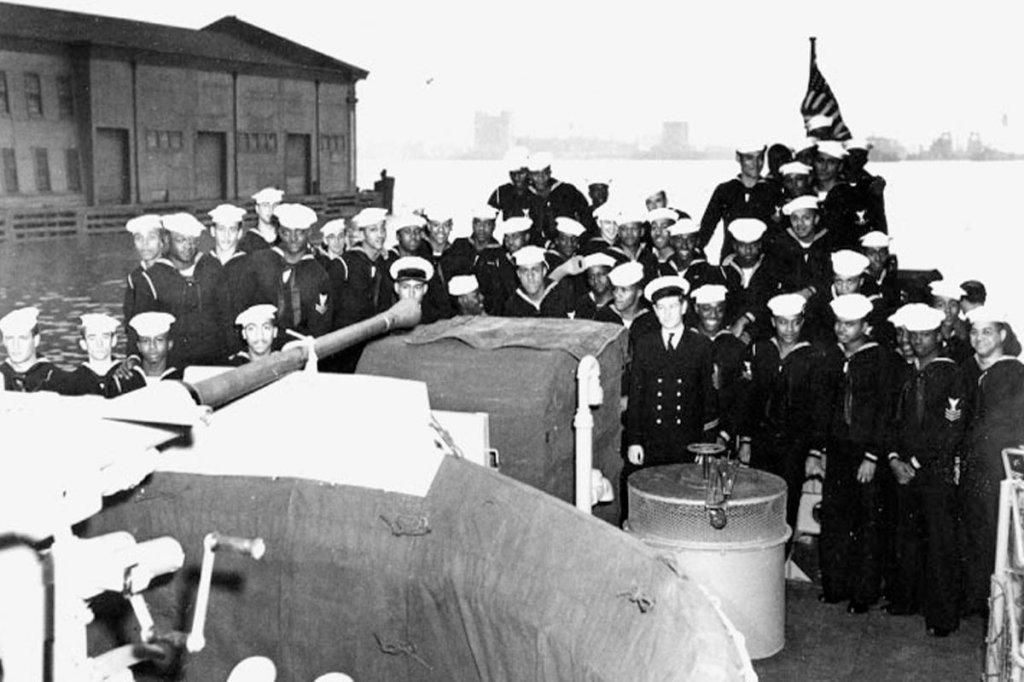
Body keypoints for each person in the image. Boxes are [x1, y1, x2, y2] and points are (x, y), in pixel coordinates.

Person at [812, 293, 899, 614]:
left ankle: (863, 594)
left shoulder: (880, 360)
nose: (842, 330)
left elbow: (885, 413)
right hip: (837, 451)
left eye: (850, 325)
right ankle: (836, 586)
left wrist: (873, 456)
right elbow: (825, 408)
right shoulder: (832, 358)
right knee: (835, 520)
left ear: (866, 326)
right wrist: (821, 449)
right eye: (839, 323)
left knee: (866, 524)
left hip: (865, 453)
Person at [884, 304, 964, 637]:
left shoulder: (950, 375)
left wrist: (915, 463)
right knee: (907, 538)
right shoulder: (906, 373)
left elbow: (950, 431)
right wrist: (892, 458)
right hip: (904, 470)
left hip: (935, 472)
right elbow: (892, 421)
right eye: (913, 334)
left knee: (939, 543)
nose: (918, 341)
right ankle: (905, 601)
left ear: (939, 336)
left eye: (925, 335)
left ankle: (941, 617)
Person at [744, 293, 828, 536]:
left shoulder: (814, 356)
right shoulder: (760, 350)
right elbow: (750, 399)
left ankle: (780, 562)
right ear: (773, 321)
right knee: (758, 501)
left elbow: (820, 408)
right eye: (782, 322)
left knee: (786, 506)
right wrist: (747, 439)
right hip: (762, 441)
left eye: (795, 322)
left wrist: (814, 451)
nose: (789, 329)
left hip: (795, 445)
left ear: (803, 322)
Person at [959, 306, 1024, 617]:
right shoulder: (980, 373)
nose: (979, 338)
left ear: (1002, 335)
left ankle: (996, 610)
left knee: (996, 539)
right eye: (974, 331)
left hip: (996, 471)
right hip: (979, 471)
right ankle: (983, 604)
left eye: (987, 331)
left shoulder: (1010, 373)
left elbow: (997, 430)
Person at [625, 275, 719, 468]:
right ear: (655, 311)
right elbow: (636, 397)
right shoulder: (645, 345)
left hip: (689, 443)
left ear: (684, 307)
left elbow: (709, 399)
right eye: (661, 307)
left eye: (673, 307)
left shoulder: (701, 346)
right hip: (652, 441)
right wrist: (634, 441)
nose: (667, 314)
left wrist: (707, 444)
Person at [247, 203, 332, 343]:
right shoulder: (262, 263)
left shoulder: (318, 274)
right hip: (263, 345)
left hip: (303, 346)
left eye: (299, 232)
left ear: (309, 232)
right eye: (286, 232)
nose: (293, 239)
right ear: (279, 232)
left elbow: (321, 322)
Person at [153, 212, 228, 367]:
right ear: (167, 240)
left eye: (193, 240)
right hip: (174, 361)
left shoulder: (212, 268)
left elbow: (226, 315)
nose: (188, 246)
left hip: (214, 357)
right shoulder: (155, 277)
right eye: (181, 240)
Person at [699, 141, 781, 261]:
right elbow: (706, 229)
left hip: (765, 264)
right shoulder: (725, 191)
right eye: (749, 158)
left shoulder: (773, 190)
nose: (756, 163)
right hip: (731, 261)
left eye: (760, 158)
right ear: (738, 158)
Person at [691, 284, 748, 450]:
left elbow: (741, 397)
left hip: (722, 434)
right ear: (696, 308)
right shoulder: (688, 342)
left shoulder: (735, 347)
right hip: (687, 431)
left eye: (719, 309)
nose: (713, 315)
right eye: (706, 309)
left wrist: (724, 434)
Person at [334, 207, 389, 371]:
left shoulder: (382, 263)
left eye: (382, 229)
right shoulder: (345, 264)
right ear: (362, 234)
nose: (380, 234)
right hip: (347, 346)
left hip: (373, 343)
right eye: (373, 230)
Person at [381, 214, 451, 324]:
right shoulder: (388, 262)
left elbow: (438, 299)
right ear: (398, 237)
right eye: (407, 232)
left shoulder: (425, 262)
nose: (413, 236)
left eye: (417, 232)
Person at [721, 218, 778, 344]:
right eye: (742, 245)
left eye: (753, 245)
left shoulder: (770, 268)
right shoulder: (725, 269)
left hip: (762, 331)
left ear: (759, 245)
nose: (748, 250)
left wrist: (745, 323)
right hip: (732, 330)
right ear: (734, 246)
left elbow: (767, 303)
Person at [768, 194, 833, 300]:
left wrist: (811, 290)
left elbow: (829, 277)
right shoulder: (781, 244)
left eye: (806, 218)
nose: (799, 223)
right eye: (795, 218)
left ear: (816, 219)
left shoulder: (827, 243)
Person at [62, 313, 142, 397]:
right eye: (92, 338)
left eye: (105, 337)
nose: (99, 344)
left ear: (114, 340)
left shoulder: (131, 378)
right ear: (83, 344)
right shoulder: (73, 381)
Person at [208, 203, 252, 354]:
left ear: (240, 233)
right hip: (209, 347)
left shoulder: (250, 266)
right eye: (221, 229)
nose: (226, 236)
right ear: (212, 231)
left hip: (240, 346)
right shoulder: (202, 265)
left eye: (232, 229)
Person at [526, 152, 592, 243]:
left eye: (544, 172)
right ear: (529, 175)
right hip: (533, 246)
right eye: (536, 174)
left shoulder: (567, 191)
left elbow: (586, 216)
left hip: (566, 244)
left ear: (550, 172)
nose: (541, 178)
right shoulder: (525, 195)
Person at [0, 306, 69, 393]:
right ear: (4, 341)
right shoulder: (2, 373)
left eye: (23, 338)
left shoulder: (55, 377)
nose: (15, 345)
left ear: (36, 340)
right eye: (10, 338)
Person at [814, 141, 863, 251]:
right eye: (820, 161)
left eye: (831, 162)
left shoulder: (849, 196)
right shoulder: (806, 193)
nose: (824, 167)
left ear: (840, 166)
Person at [501, 245, 574, 318]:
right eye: (525, 271)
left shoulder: (562, 295)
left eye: (535, 270)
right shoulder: (513, 304)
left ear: (544, 271)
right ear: (518, 274)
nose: (530, 276)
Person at [123, 214, 168, 328]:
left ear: (162, 241)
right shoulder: (134, 278)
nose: (145, 244)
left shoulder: (172, 273)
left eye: (151, 237)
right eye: (139, 238)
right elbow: (130, 319)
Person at [843, 138, 888, 235]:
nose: (856, 160)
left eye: (860, 156)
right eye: (853, 155)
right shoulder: (832, 179)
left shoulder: (871, 184)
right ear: (845, 157)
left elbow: (879, 217)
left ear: (865, 160)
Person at [487, 146, 539, 229]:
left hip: (535, 241)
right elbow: (486, 219)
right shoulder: (501, 192)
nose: (517, 177)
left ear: (529, 171)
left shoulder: (539, 192)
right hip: (510, 240)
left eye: (521, 173)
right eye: (513, 173)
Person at [128, 311, 183, 384]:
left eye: (159, 340)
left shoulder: (180, 380)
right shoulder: (128, 381)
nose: (152, 346)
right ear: (139, 346)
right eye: (146, 341)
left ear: (169, 344)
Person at [608, 210, 659, 282]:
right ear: (618, 232)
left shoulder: (650, 257)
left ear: (642, 232)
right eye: (624, 229)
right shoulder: (610, 257)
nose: (629, 233)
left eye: (634, 228)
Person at [929, 279, 972, 363]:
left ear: (959, 308)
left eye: (952, 304)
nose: (947, 310)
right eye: (940, 305)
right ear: (932, 308)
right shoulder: (925, 336)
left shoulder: (967, 337)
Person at [859, 231, 900, 315]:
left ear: (887, 254)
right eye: (872, 253)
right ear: (864, 255)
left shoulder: (890, 278)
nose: (877, 258)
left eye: (882, 252)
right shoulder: (858, 280)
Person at [572, 253, 617, 320]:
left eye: (600, 275)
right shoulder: (583, 303)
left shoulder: (618, 302)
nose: (596, 281)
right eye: (591, 277)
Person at [239, 187, 283, 253]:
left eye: (275, 205)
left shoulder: (285, 238)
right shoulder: (248, 240)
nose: (271, 210)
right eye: (265, 205)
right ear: (257, 209)